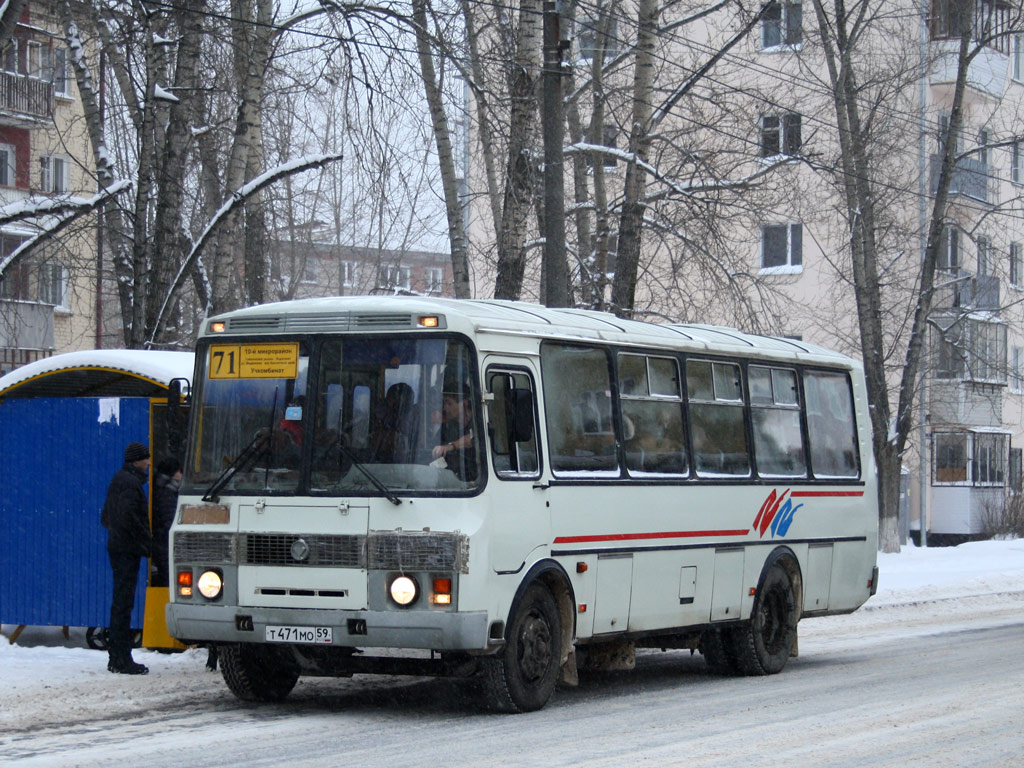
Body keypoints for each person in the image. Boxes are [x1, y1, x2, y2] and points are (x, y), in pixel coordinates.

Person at [100, 442, 152, 675]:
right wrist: (147, 543)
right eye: (146, 459)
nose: (149, 462)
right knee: (123, 603)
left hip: (119, 548)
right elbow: (129, 519)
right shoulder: (130, 484)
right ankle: (121, 658)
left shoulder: (120, 480)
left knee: (120, 602)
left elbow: (106, 516)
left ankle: (117, 656)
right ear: (136, 461)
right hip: (126, 551)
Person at [431, 382, 477, 482]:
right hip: (454, 480)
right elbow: (435, 447)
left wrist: (450, 447)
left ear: (464, 403)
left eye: (449, 403)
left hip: (477, 480)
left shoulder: (478, 422)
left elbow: (472, 439)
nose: (445, 408)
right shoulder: (448, 427)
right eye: (444, 403)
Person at [151, 457, 182, 588]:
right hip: (165, 546)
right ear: (173, 474)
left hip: (161, 545)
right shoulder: (167, 495)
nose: (181, 475)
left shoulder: (162, 492)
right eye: (179, 471)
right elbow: (169, 521)